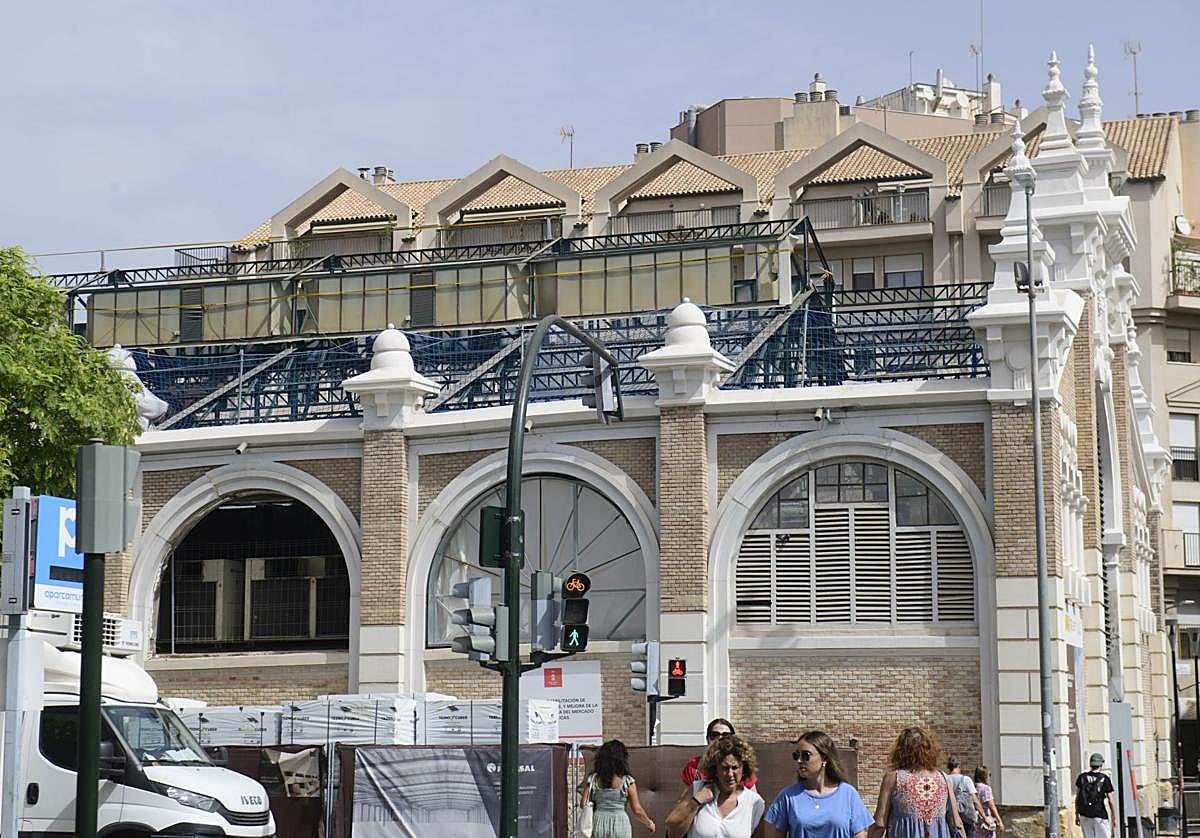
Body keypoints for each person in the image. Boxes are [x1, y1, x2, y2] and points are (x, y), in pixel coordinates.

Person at [764, 730, 874, 838]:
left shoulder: (848, 794)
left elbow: (859, 835)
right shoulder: (788, 796)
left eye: (806, 755)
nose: (799, 760)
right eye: (796, 755)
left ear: (824, 758)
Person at [867, 726, 962, 838]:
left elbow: (879, 824)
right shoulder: (944, 778)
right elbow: (957, 823)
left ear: (900, 751)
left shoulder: (894, 778)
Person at [665, 734, 765, 838]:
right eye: (725, 768)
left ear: (743, 769)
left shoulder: (754, 803)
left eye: (734, 768)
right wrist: (695, 802)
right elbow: (671, 827)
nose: (730, 774)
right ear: (715, 769)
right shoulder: (697, 789)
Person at [581, 739, 656, 837]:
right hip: (620, 823)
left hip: (598, 822)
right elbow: (637, 810)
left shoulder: (593, 779)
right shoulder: (627, 781)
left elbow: (583, 804)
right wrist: (649, 822)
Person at [681, 718, 758, 789]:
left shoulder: (742, 766)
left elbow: (754, 800)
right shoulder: (693, 767)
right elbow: (685, 801)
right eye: (715, 735)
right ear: (707, 738)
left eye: (726, 736)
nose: (720, 739)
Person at [1074, 753, 1117, 838]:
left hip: (1084, 814)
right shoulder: (1104, 779)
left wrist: (1077, 815)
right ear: (1101, 764)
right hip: (1099, 814)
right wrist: (1114, 817)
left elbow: (1078, 798)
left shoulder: (1082, 777)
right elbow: (1111, 801)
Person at [945, 756, 987, 838]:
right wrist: (984, 817)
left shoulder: (945, 779)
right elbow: (975, 801)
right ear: (959, 766)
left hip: (950, 817)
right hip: (966, 817)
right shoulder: (965, 779)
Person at [972, 766, 1002, 838]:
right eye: (989, 775)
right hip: (986, 822)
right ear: (984, 776)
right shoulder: (986, 788)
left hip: (976, 821)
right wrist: (999, 820)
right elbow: (991, 805)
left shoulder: (974, 787)